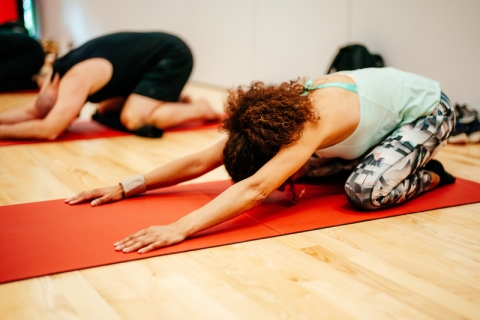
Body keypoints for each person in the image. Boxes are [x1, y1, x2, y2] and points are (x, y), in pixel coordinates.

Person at [65, 67, 456, 253]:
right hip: (378, 118)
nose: (283, 185)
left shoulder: (310, 125)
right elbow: (199, 160)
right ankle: (378, 159)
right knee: (320, 174)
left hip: (429, 111)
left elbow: (254, 188)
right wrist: (125, 186)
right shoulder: (264, 126)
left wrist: (179, 228)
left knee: (364, 189)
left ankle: (432, 174)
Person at [0, 31, 220, 139]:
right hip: (143, 64)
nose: (72, 117)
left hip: (172, 55)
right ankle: (175, 99)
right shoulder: (54, 77)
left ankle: (199, 108)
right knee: (106, 110)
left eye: (66, 112)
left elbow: (49, 130)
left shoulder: (74, 80)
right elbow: (33, 110)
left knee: (132, 119)